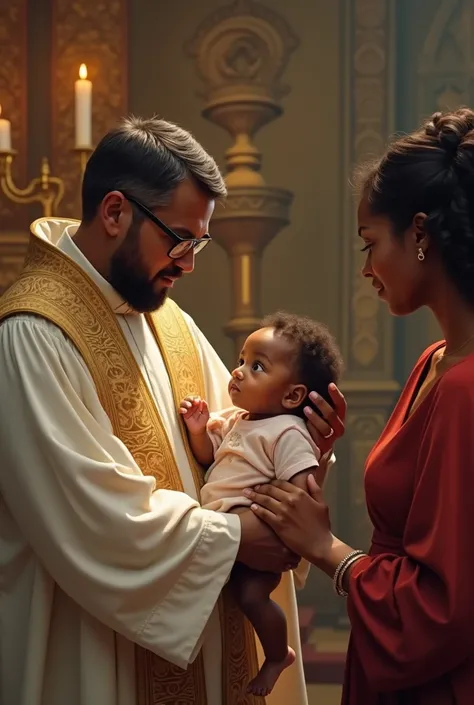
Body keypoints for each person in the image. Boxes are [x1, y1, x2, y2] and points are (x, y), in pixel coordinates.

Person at [0, 116, 337, 705]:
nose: (189, 261)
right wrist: (232, 539)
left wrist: (298, 451)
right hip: (93, 651)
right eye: (179, 238)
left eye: (198, 242)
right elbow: (94, 517)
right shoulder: (32, 334)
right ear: (114, 212)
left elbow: (241, 442)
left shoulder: (165, 318)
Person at [245, 107, 474, 705]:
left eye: (371, 243)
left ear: (420, 234)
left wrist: (329, 552)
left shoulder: (465, 387)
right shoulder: (435, 361)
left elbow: (442, 609)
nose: (367, 268)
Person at [180, 311, 343, 697]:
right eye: (240, 361)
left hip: (262, 535)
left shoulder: (286, 432)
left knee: (253, 597)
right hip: (227, 534)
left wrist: (278, 530)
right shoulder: (237, 419)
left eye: (256, 367)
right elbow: (209, 456)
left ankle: (276, 656)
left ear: (291, 395)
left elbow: (300, 486)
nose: (238, 372)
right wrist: (200, 430)